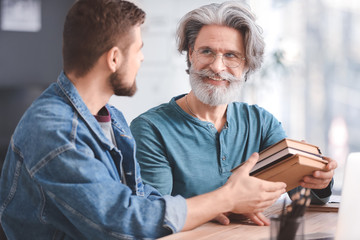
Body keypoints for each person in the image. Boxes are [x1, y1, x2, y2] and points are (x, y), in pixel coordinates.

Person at [0, 0, 287, 239]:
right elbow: (121, 222)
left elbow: (141, 198)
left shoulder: (112, 120)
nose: (142, 59)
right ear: (114, 58)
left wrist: (216, 206)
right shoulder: (55, 130)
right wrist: (226, 198)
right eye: (138, 50)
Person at [130, 1, 337, 225]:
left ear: (246, 64)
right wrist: (224, 204)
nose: (217, 67)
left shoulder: (261, 123)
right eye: (206, 51)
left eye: (231, 55)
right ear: (191, 54)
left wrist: (318, 181)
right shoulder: (150, 129)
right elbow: (155, 218)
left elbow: (300, 197)